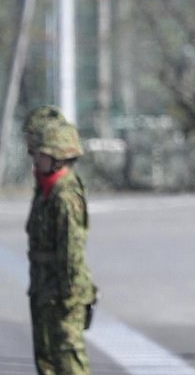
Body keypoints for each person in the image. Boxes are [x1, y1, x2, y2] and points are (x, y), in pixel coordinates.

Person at [27, 120, 96, 375]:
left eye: (41, 154)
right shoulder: (47, 189)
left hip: (63, 292)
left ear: (58, 156)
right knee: (46, 360)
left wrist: (68, 296)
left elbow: (71, 252)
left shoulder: (65, 195)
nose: (36, 159)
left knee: (69, 360)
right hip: (45, 288)